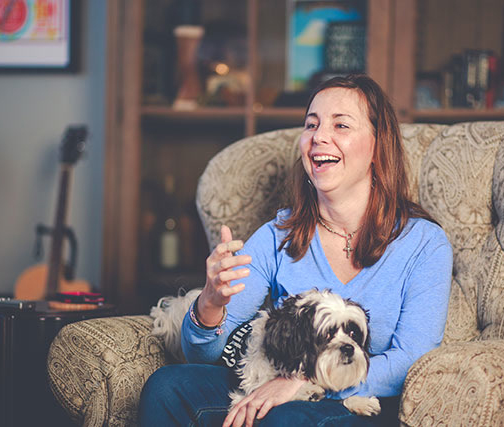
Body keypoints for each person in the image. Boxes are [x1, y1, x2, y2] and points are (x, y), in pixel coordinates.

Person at [139, 74, 453, 427]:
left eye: (341, 125)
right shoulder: (278, 235)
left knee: (286, 419)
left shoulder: (424, 244)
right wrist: (210, 304)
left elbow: (413, 359)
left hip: (365, 402)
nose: (319, 137)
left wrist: (304, 381)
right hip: (281, 386)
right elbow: (204, 354)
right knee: (167, 387)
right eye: (311, 125)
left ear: (378, 147)